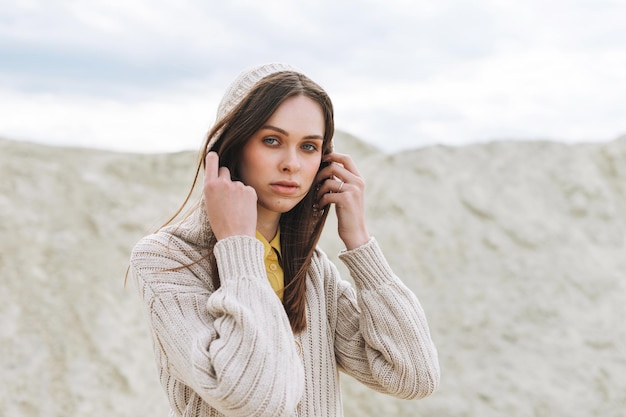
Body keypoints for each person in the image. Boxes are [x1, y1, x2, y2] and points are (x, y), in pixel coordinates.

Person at [130, 63, 440, 417]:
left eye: (309, 147)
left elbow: (413, 377)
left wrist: (360, 243)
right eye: (272, 141)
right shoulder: (167, 260)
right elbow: (254, 397)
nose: (291, 163)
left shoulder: (313, 273)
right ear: (233, 145)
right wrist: (238, 250)